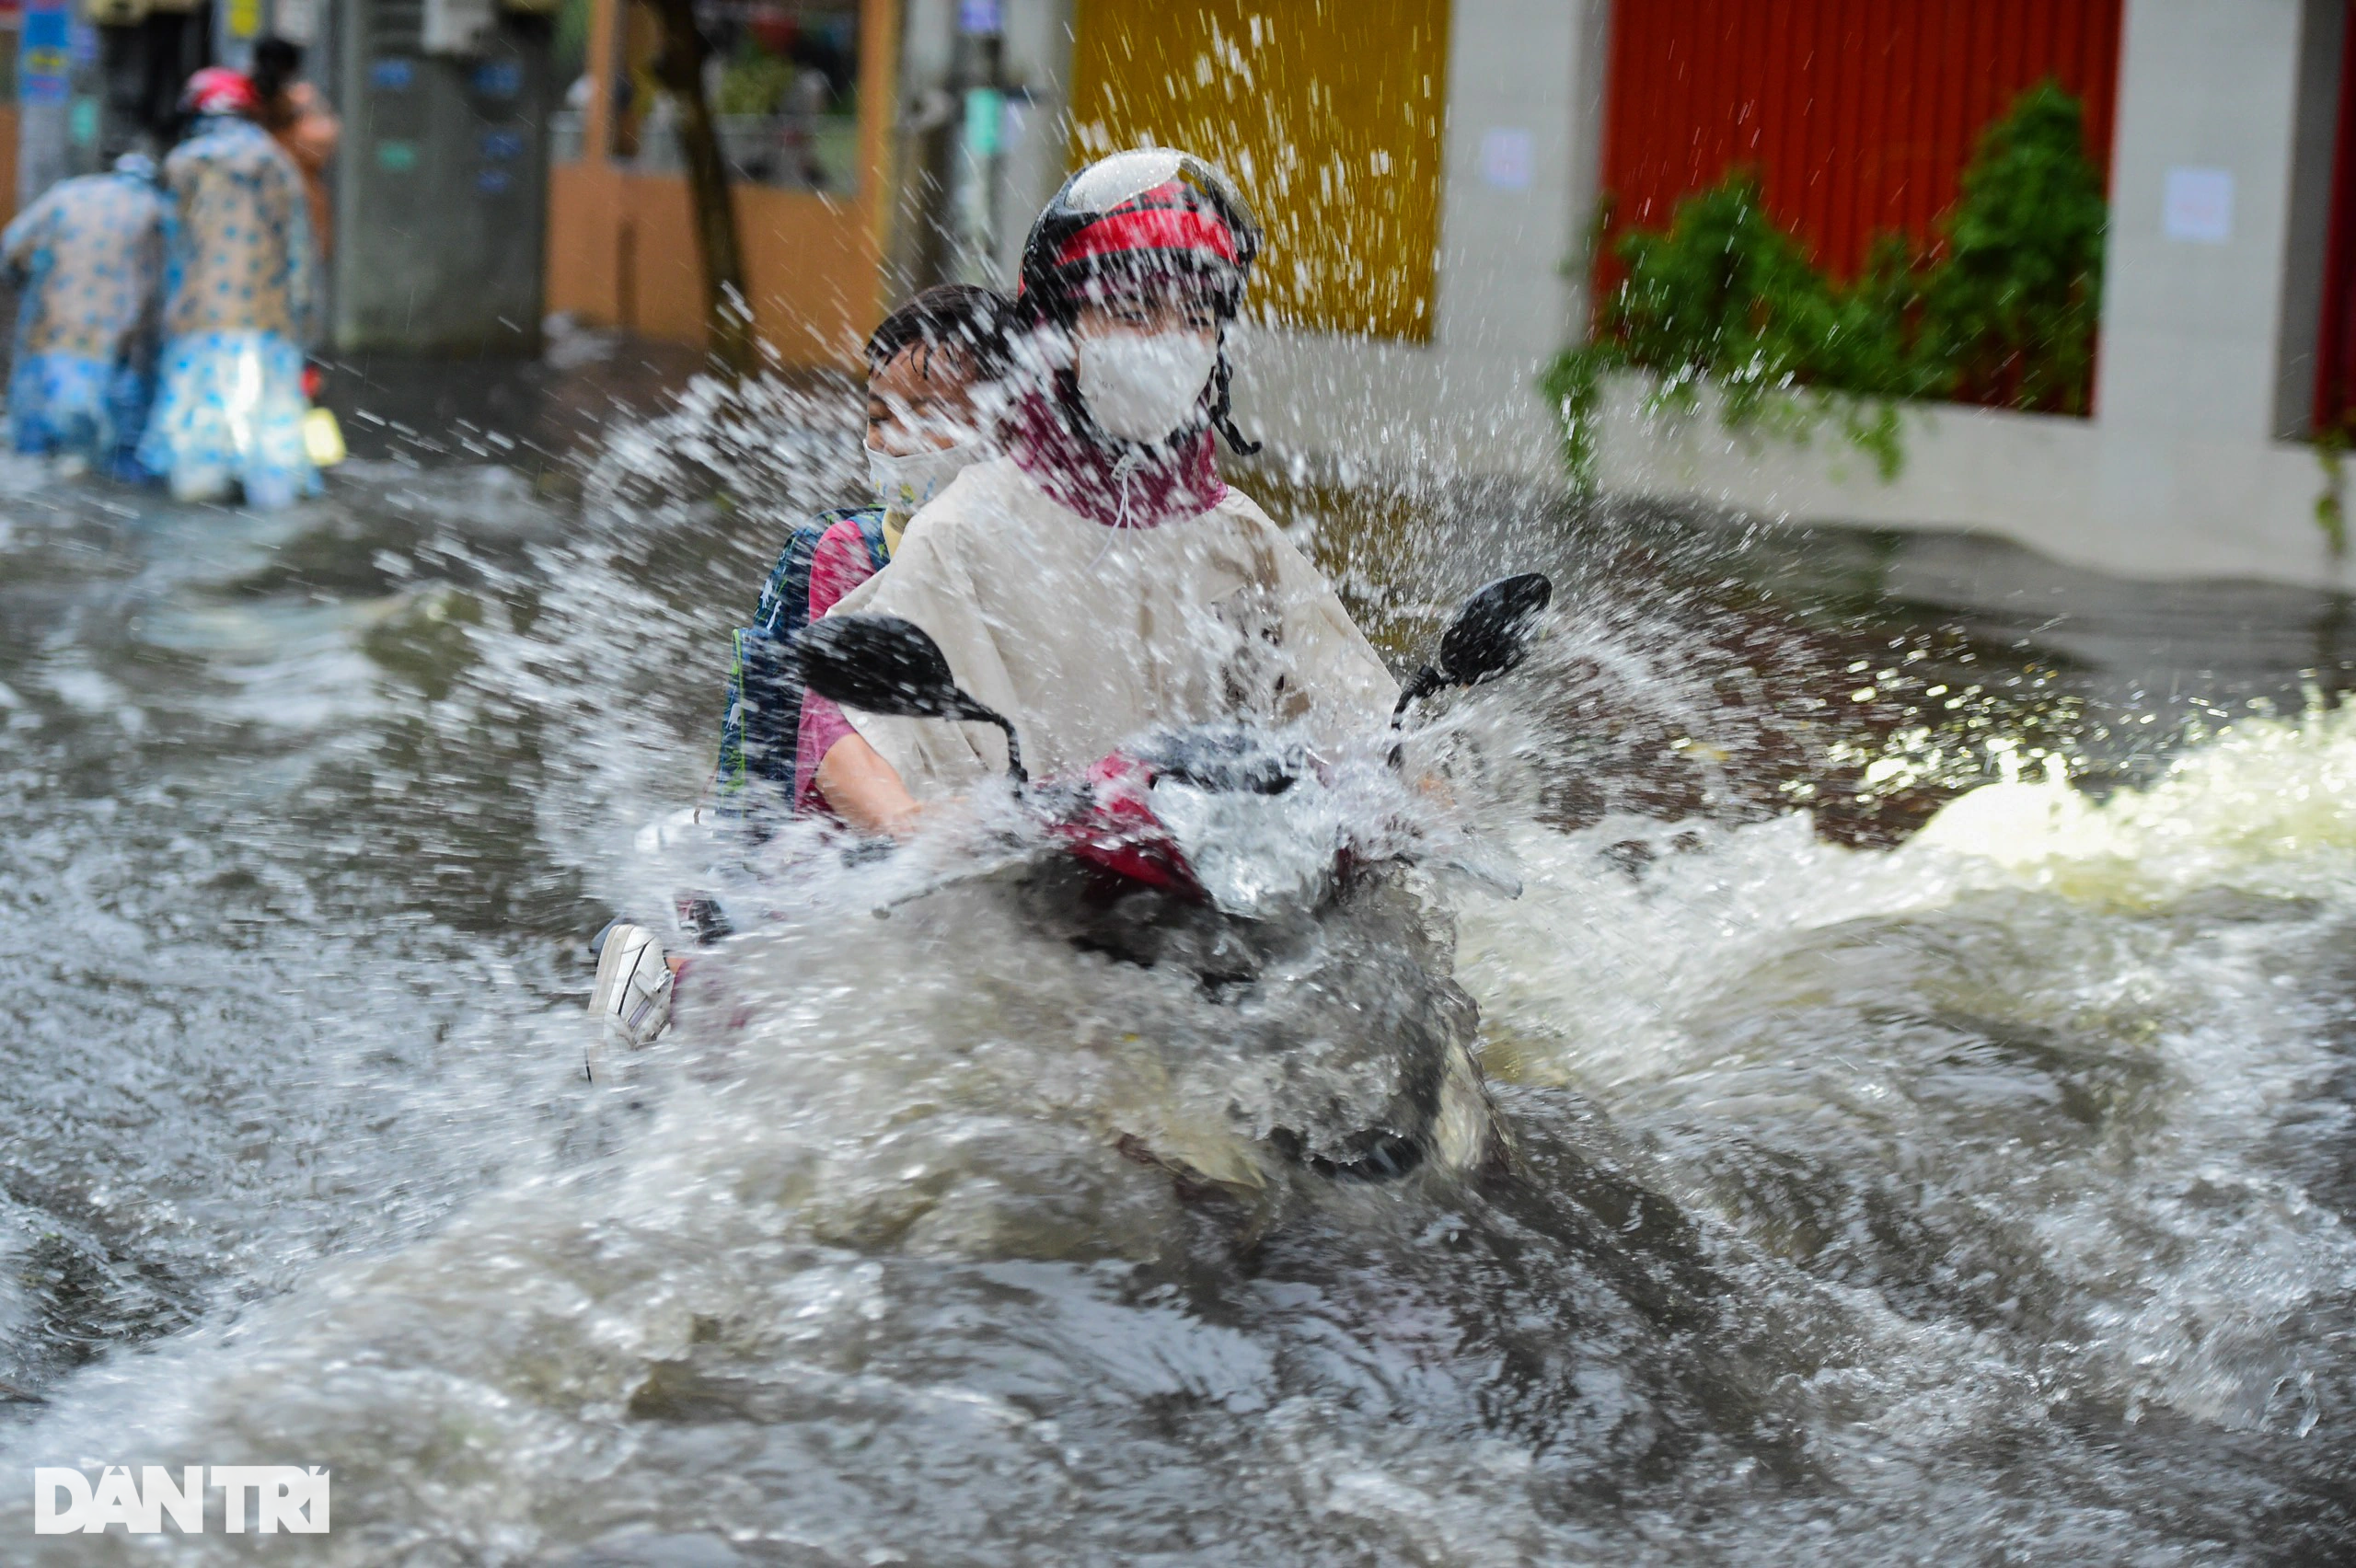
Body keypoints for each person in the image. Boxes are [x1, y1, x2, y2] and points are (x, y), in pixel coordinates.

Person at [807, 148, 1396, 836]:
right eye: (1134, 310)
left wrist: (1408, 794)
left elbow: (1362, 727)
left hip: (1216, 901)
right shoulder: (960, 530)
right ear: (1057, 335)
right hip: (1024, 905)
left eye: (1198, 317)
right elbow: (904, 789)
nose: (1170, 342)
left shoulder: (1241, 536)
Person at [712, 282, 1007, 816]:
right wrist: (907, 825)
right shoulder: (848, 553)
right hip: (845, 838)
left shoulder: (1046, 551)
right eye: (879, 418)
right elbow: (823, 732)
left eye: (929, 417)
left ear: (1011, 424)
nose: (893, 442)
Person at [138, 67, 319, 509]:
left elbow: (167, 253)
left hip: (198, 325)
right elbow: (300, 253)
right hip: (268, 325)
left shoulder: (183, 164)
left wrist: (154, 327)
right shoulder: (279, 164)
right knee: (273, 455)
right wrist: (306, 327)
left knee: (196, 459)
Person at [1, 152, 168, 477]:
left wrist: (24, 280)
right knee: (93, 434)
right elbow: (160, 281)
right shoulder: (155, 209)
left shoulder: (67, 194)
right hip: (110, 334)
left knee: (36, 433)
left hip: (51, 323)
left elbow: (13, 245)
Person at [251, 36, 341, 259]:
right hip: (255, 206)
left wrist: (288, 121)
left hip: (297, 202)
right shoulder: (245, 98)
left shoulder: (303, 99)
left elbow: (320, 148)